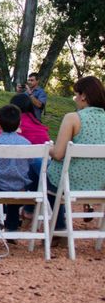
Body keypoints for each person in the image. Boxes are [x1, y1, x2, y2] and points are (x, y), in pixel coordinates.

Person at [46, 76, 105, 235]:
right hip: (101, 184)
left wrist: (48, 148)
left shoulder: (73, 118)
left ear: (84, 95)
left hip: (72, 183)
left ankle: (58, 229)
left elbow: (58, 154)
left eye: (76, 95)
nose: (75, 100)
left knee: (45, 174)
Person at [0, 104, 38, 235]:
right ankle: (12, 227)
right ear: (19, 123)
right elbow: (32, 162)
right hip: (20, 186)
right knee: (15, 189)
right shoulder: (26, 144)